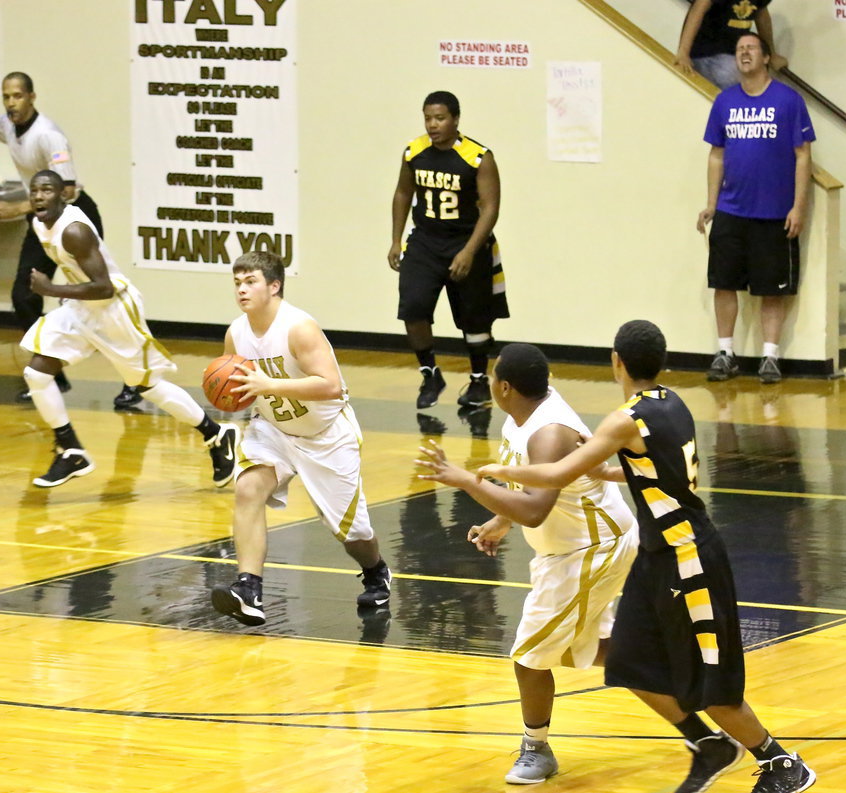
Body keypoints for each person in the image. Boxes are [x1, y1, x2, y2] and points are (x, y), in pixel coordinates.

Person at [478, 321, 816, 793]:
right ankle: (706, 743)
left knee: (707, 683)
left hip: (687, 556)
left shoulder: (623, 419)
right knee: (629, 662)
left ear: (617, 361)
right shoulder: (670, 403)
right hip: (655, 554)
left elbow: (553, 476)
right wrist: (603, 469)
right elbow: (654, 466)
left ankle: (782, 763)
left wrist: (486, 474)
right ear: (661, 362)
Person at [415, 343, 638, 785]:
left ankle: (536, 749)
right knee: (588, 648)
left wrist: (465, 480)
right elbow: (534, 493)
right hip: (576, 546)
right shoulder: (522, 417)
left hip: (590, 548)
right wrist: (499, 521)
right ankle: (681, 683)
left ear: (503, 387)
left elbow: (536, 509)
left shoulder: (548, 432)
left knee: (529, 657)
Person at [0, 71, 138, 408]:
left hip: (76, 218)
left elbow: (69, 189)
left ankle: (136, 381)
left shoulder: (49, 136)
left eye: (17, 96)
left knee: (100, 302)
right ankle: (51, 374)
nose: (10, 103)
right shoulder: (6, 124)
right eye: (6, 97)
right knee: (24, 295)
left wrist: (19, 207)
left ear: (32, 97)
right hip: (43, 219)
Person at [18, 170, 237, 489]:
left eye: (47, 189)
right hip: (80, 307)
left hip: (114, 308)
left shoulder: (75, 230)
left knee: (147, 386)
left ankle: (216, 435)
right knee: (36, 373)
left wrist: (51, 290)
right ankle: (71, 450)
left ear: (62, 194)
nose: (38, 196)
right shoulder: (39, 222)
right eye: (34, 190)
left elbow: (104, 287)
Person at [211, 251, 391, 626]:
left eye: (250, 282)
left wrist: (269, 384)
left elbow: (330, 385)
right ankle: (249, 589)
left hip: (325, 435)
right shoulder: (236, 332)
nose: (241, 290)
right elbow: (237, 384)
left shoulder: (298, 327)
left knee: (351, 533)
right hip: (273, 429)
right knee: (247, 490)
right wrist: (228, 394)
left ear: (274, 286)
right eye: (237, 283)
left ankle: (375, 570)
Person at [698, 33, 813, 385]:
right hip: (732, 211)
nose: (744, 54)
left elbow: (803, 155)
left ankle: (770, 356)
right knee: (724, 284)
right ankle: (725, 353)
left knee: (772, 290)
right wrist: (711, 204)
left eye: (751, 49)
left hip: (775, 213)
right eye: (738, 50)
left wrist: (798, 207)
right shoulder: (724, 101)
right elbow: (716, 154)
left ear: (765, 58)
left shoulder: (789, 101)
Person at [388, 90, 507, 410]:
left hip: (467, 242)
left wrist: (469, 251)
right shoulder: (414, 152)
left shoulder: (478, 156)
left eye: (439, 118)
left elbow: (491, 208)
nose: (432, 124)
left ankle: (480, 382)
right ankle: (430, 374)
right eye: (428, 118)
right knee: (412, 308)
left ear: (455, 119)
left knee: (475, 320)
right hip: (425, 242)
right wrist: (396, 239)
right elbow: (402, 193)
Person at [674, 0, 788, 91]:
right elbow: (698, 9)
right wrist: (683, 52)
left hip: (732, 55)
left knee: (759, 78)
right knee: (736, 77)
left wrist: (771, 53)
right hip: (706, 53)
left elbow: (761, 14)